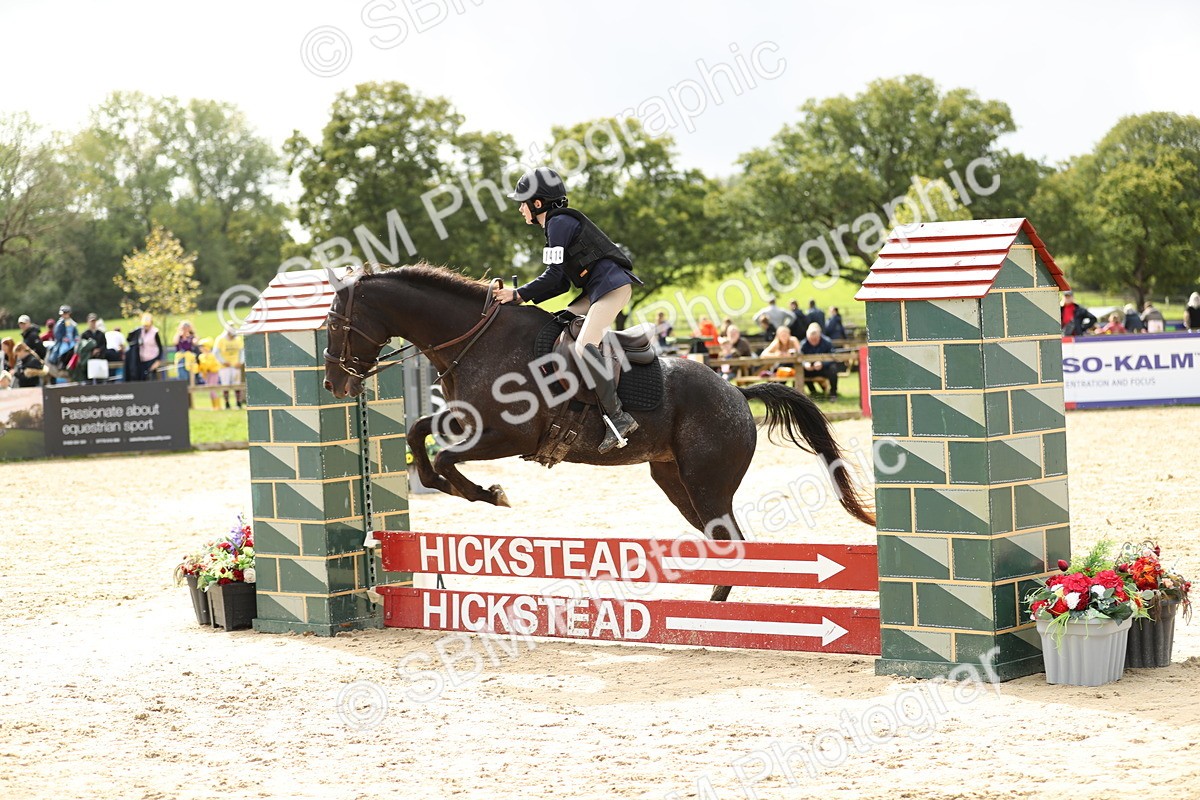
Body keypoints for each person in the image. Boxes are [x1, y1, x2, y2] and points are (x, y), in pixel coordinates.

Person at [492, 167, 643, 453]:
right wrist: (521, 297)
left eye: (522, 203)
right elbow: (560, 282)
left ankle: (618, 417)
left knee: (585, 345)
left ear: (538, 203)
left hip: (610, 288)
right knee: (558, 324)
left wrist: (519, 294)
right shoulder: (555, 225)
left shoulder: (558, 223)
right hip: (596, 289)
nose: (520, 209)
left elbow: (552, 277)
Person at [800, 322, 839, 399]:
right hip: (809, 369)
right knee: (799, 371)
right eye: (811, 339)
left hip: (823, 369)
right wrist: (805, 364)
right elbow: (799, 357)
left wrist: (823, 364)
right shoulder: (803, 344)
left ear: (819, 336)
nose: (813, 341)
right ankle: (811, 392)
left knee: (833, 368)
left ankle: (833, 393)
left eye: (815, 339)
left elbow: (833, 357)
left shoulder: (827, 342)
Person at [213, 323, 245, 408]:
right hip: (224, 366)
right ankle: (227, 403)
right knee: (225, 385)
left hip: (235, 365)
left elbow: (242, 351)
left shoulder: (237, 339)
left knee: (237, 384)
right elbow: (216, 352)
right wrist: (223, 362)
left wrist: (241, 362)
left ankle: (238, 402)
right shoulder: (220, 339)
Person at [124, 313, 163, 381]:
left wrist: (158, 361)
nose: (146, 327)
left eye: (147, 326)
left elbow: (160, 347)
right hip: (142, 360)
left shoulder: (155, 332)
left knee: (151, 378)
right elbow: (129, 338)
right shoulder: (140, 331)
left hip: (152, 359)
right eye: (144, 325)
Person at [48, 305, 78, 374]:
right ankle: (61, 363)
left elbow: (75, 332)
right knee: (64, 349)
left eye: (66, 313)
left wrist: (76, 337)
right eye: (63, 314)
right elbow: (57, 333)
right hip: (63, 342)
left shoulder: (71, 322)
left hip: (72, 340)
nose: (64, 315)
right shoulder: (60, 323)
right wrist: (62, 338)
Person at [195, 339, 222, 408]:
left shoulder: (211, 356)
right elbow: (200, 368)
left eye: (202, 346)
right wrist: (198, 364)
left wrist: (201, 363)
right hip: (206, 374)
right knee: (210, 390)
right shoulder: (201, 356)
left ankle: (217, 406)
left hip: (213, 373)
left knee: (212, 389)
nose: (201, 348)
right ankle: (214, 406)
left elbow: (209, 365)